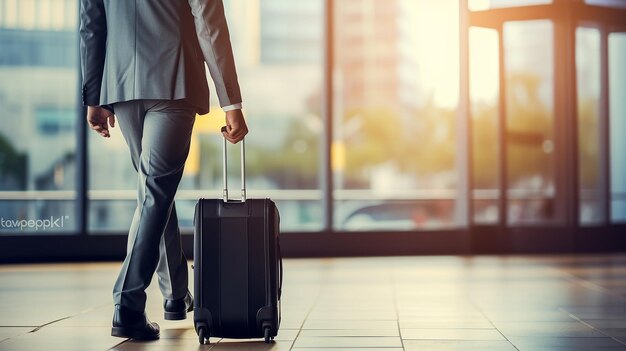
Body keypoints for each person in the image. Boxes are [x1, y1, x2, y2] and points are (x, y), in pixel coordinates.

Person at [79, 0, 248, 340]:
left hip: (122, 82)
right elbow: (209, 22)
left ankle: (175, 295)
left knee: (154, 191)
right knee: (156, 192)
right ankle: (127, 302)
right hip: (175, 80)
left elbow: (91, 25)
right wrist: (231, 103)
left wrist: (94, 96)